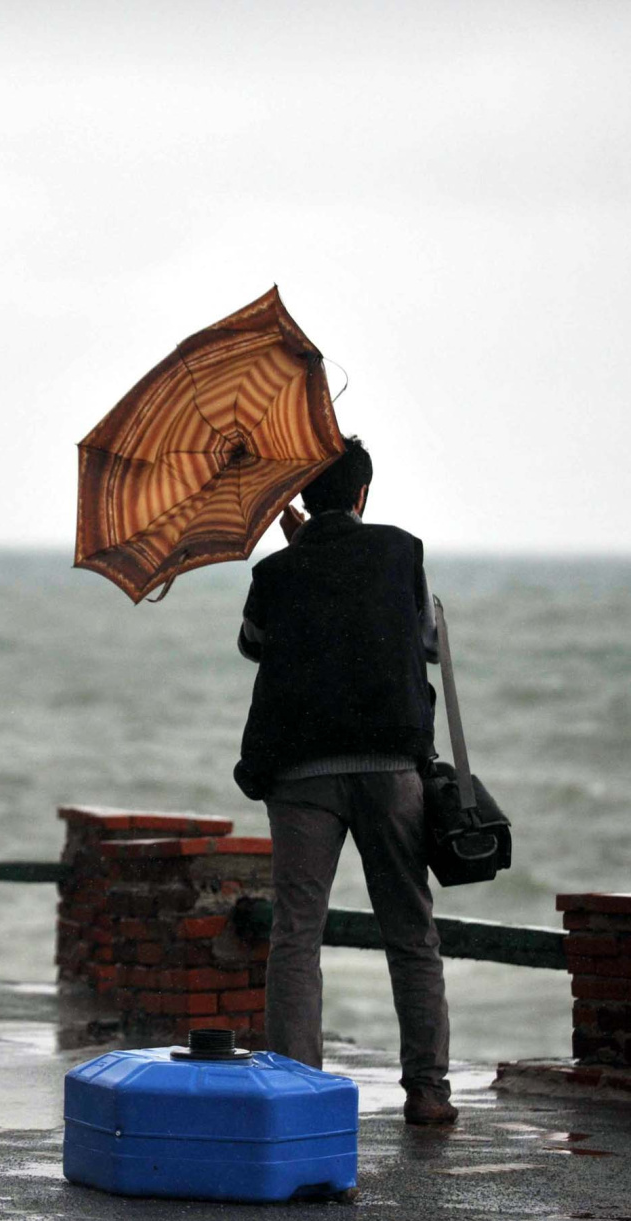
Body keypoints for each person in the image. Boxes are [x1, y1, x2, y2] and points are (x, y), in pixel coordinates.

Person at [233, 437, 457, 1126]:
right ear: (362, 494)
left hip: (300, 774)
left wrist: (300, 556)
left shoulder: (276, 572)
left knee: (296, 936)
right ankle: (427, 1092)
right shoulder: (400, 552)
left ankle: (298, 1092)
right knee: (411, 933)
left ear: (302, 496)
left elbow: (254, 644)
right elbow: (425, 643)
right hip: (390, 768)